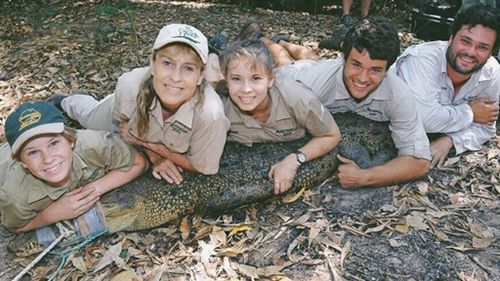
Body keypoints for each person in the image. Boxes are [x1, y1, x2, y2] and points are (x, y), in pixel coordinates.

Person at [245, 17, 431, 188]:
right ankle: (262, 39)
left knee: (311, 59)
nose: (363, 78)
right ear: (343, 59)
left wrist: (365, 177)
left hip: (320, 69)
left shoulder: (399, 94)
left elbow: (420, 162)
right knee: (284, 64)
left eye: (375, 70)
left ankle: (282, 42)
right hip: (298, 74)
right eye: (356, 65)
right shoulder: (308, 86)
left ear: (387, 70)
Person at [48, 23, 230, 184]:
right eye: (167, 63)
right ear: (152, 63)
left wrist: (152, 148)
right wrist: (155, 157)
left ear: (201, 75)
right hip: (126, 108)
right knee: (88, 117)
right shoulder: (130, 87)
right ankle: (65, 100)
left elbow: (200, 166)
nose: (175, 77)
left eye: (188, 68)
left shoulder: (211, 115)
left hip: (144, 133)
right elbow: (123, 131)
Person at [214, 39, 341, 195]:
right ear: (226, 81)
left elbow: (332, 135)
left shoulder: (298, 99)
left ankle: (278, 42)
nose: (246, 89)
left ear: (270, 80)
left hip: (299, 74)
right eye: (236, 79)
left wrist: (294, 159)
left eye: (256, 78)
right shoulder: (218, 108)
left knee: (304, 61)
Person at [0, 101, 148, 232]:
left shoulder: (93, 145)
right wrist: (50, 215)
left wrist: (92, 191)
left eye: (53, 143)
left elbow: (140, 163)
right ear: (23, 164)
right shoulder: (15, 196)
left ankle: (66, 101)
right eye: (33, 152)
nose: (48, 158)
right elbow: (15, 226)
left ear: (70, 140)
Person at [391, 4, 499, 168]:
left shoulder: (491, 71)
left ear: (491, 53)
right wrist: (470, 112)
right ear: (450, 38)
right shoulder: (422, 60)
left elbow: (486, 128)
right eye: (465, 41)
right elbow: (424, 119)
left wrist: (450, 140)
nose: (470, 52)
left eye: (482, 47)